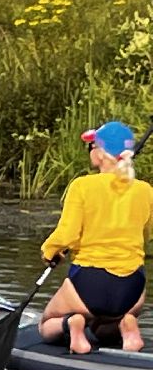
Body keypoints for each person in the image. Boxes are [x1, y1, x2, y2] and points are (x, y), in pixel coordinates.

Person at [39, 120, 153, 355]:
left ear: (101, 153)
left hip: (89, 284)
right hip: (132, 289)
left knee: (46, 324)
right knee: (103, 329)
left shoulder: (82, 186)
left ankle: (72, 324)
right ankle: (127, 324)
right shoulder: (145, 190)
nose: (90, 150)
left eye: (92, 146)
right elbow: (146, 236)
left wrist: (50, 252)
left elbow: (67, 234)